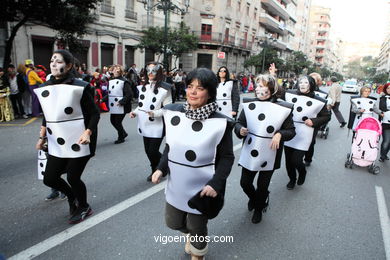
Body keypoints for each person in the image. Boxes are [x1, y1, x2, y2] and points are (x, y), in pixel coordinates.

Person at [151, 68, 234, 260]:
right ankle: (192, 235)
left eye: (200, 88)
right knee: (173, 223)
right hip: (177, 184)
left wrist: (216, 184)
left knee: (197, 226)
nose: (193, 92)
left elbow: (227, 157)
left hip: (203, 187)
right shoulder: (174, 114)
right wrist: (160, 169)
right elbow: (170, 146)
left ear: (210, 93)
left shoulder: (221, 123)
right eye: (190, 87)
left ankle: (198, 253)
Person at [35, 49, 100, 224]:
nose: (54, 64)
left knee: (73, 176)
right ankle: (73, 197)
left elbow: (94, 114)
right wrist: (42, 138)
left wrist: (88, 132)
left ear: (69, 65)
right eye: (52, 61)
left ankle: (84, 206)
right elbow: (47, 115)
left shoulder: (80, 86)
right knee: (49, 177)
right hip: (57, 140)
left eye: (59, 61)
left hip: (80, 140)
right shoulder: (44, 87)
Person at [235, 74, 295, 223]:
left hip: (270, 154)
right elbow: (239, 122)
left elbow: (291, 131)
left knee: (263, 186)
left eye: (263, 86)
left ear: (271, 89)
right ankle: (256, 199)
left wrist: (280, 134)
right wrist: (240, 129)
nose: (259, 89)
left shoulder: (283, 108)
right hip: (250, 151)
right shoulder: (249, 105)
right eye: (258, 86)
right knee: (245, 183)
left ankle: (258, 208)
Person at [284, 76, 331, 190]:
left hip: (305, 133)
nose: (303, 84)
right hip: (289, 131)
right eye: (301, 82)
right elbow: (274, 91)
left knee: (296, 160)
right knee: (288, 161)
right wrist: (272, 75)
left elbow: (326, 116)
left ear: (311, 85)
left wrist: (313, 121)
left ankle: (302, 172)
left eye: (306, 82)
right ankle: (292, 179)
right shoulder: (290, 94)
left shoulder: (319, 100)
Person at [129, 62, 172, 181]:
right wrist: (134, 112)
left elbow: (168, 108)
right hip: (144, 124)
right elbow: (142, 105)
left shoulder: (165, 88)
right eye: (148, 71)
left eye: (153, 71)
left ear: (158, 73)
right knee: (148, 151)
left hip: (157, 124)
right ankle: (155, 169)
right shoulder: (144, 87)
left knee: (153, 151)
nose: (150, 73)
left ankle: (162, 167)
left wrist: (155, 113)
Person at [106, 65, 132, 144]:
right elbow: (110, 94)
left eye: (118, 70)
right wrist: (102, 100)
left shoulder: (124, 81)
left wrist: (121, 102)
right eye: (114, 69)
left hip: (122, 106)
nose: (116, 71)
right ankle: (123, 133)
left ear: (120, 71)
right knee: (112, 121)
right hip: (114, 106)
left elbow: (129, 94)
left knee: (117, 122)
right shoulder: (111, 81)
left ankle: (121, 137)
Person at [379, 83, 390, 162]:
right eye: (388, 88)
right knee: (386, 140)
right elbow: (382, 109)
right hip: (386, 122)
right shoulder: (383, 98)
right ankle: (382, 156)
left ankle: (385, 154)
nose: (389, 90)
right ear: (385, 89)